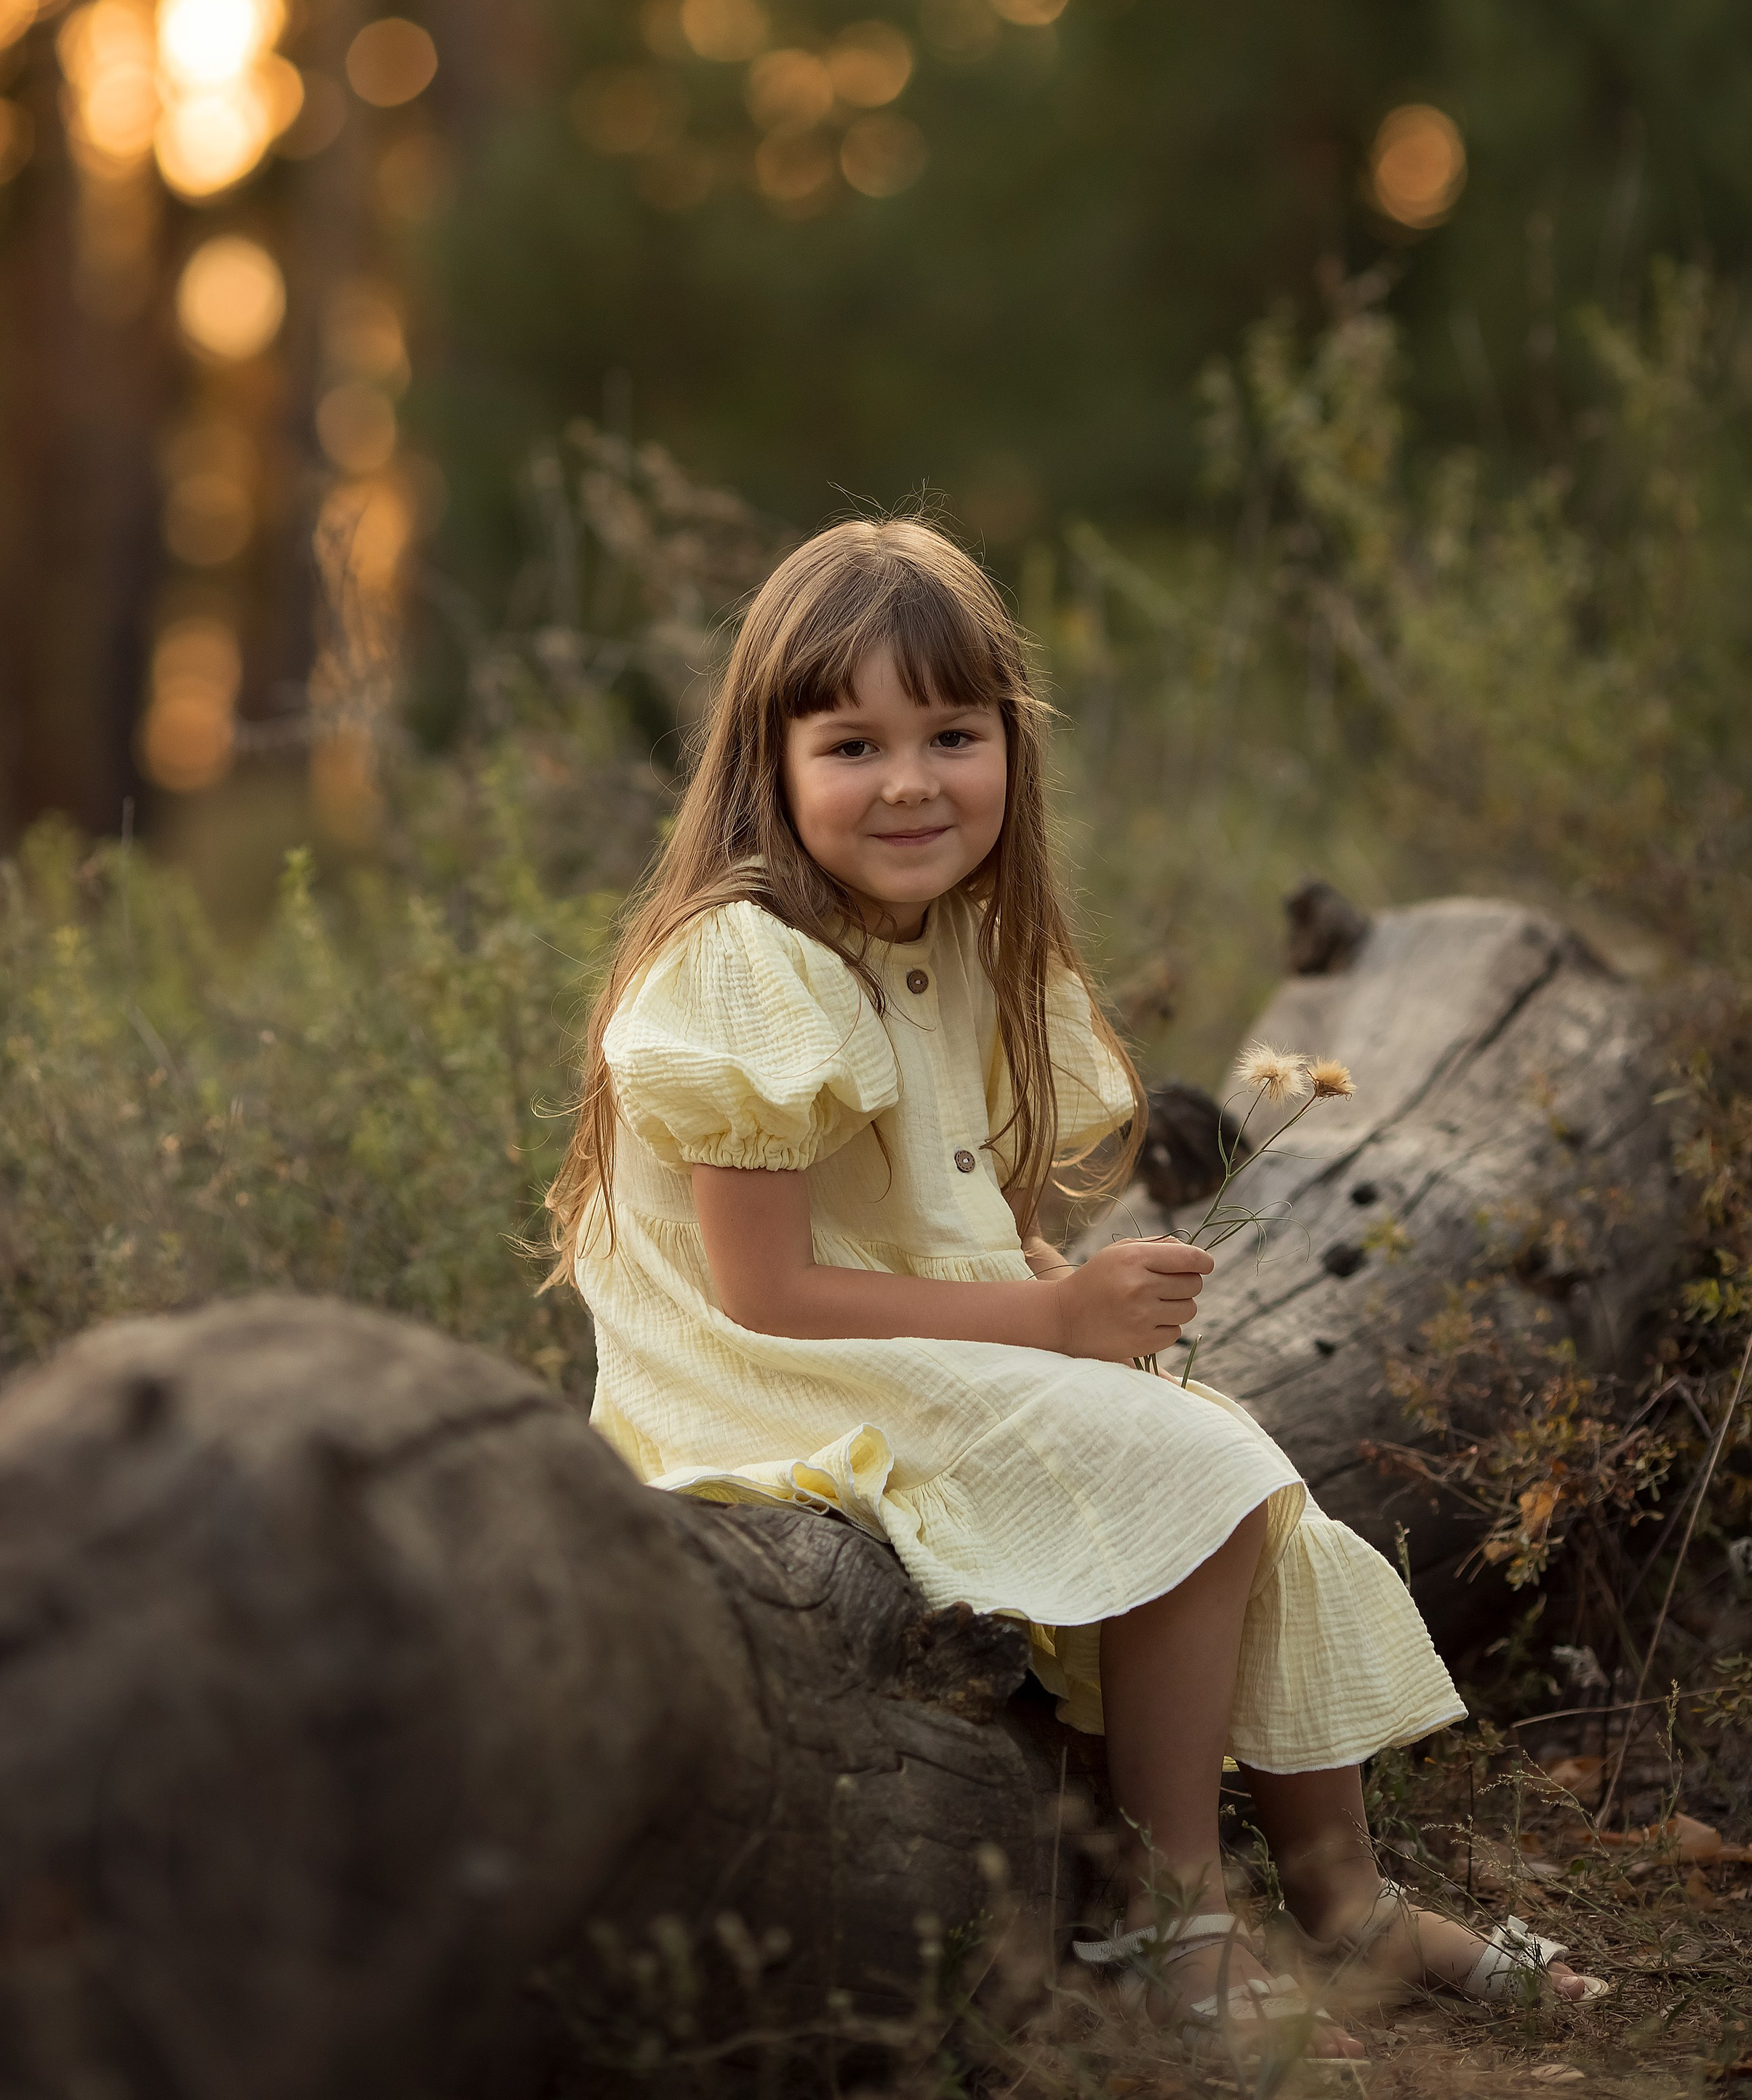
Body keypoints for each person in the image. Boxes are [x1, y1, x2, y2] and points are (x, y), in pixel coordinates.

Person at [549, 516, 1606, 2064]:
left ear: (1007, 748)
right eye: (853, 742)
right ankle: (1164, 1914)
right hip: (748, 1370)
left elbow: (933, 1211)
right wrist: (1048, 1323)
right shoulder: (743, 964)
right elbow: (761, 1292)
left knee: (1242, 1476)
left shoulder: (962, 940)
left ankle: (1348, 1906)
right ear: (764, 766)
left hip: (874, 1328)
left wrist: (1048, 1283)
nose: (910, 781)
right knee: (1186, 1463)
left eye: (950, 734)